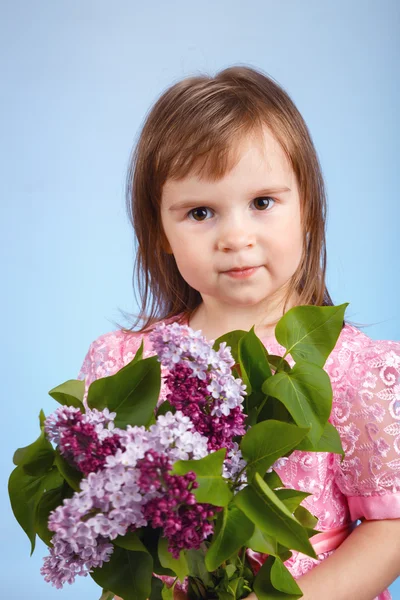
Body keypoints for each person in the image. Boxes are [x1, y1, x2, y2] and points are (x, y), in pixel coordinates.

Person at [77, 65, 400, 600]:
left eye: (262, 202)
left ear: (307, 209)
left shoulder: (354, 371)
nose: (235, 236)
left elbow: (391, 530)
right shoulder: (126, 368)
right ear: (161, 230)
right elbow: (117, 542)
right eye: (200, 212)